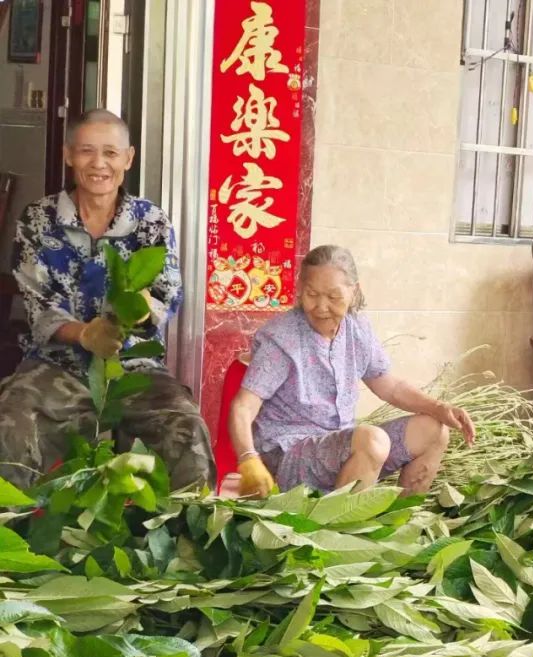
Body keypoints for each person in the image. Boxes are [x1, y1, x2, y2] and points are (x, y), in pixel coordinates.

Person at [0, 109, 213, 490]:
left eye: (111, 154)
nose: (99, 164)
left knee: (187, 428)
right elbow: (39, 306)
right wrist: (85, 335)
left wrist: (142, 311)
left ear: (128, 159)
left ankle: (184, 540)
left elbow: (167, 294)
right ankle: (15, 535)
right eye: (86, 151)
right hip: (56, 365)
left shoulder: (151, 222)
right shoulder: (38, 219)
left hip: (135, 366)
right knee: (12, 419)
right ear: (69, 155)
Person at [229, 244, 476, 497]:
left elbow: (390, 386)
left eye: (333, 297)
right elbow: (243, 406)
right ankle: (336, 530)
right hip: (289, 455)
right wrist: (249, 459)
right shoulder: (281, 338)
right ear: (300, 289)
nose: (321, 306)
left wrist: (438, 407)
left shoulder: (357, 328)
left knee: (434, 430)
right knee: (371, 440)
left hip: (340, 444)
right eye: (312, 294)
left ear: (354, 292)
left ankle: (402, 522)